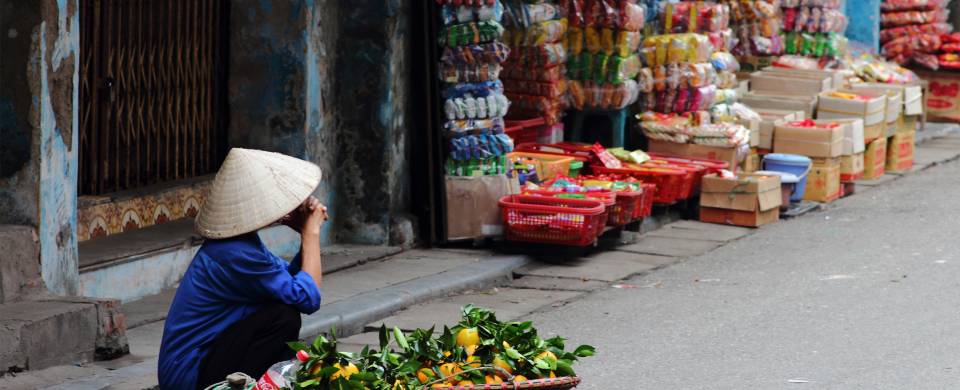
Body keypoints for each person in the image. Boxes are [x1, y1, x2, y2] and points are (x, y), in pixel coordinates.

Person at [158, 148, 327, 390]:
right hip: (190, 376)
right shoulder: (234, 251)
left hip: (207, 358)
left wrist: (305, 235)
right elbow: (308, 298)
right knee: (283, 318)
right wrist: (311, 233)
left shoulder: (243, 244)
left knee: (282, 311)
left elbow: (290, 283)